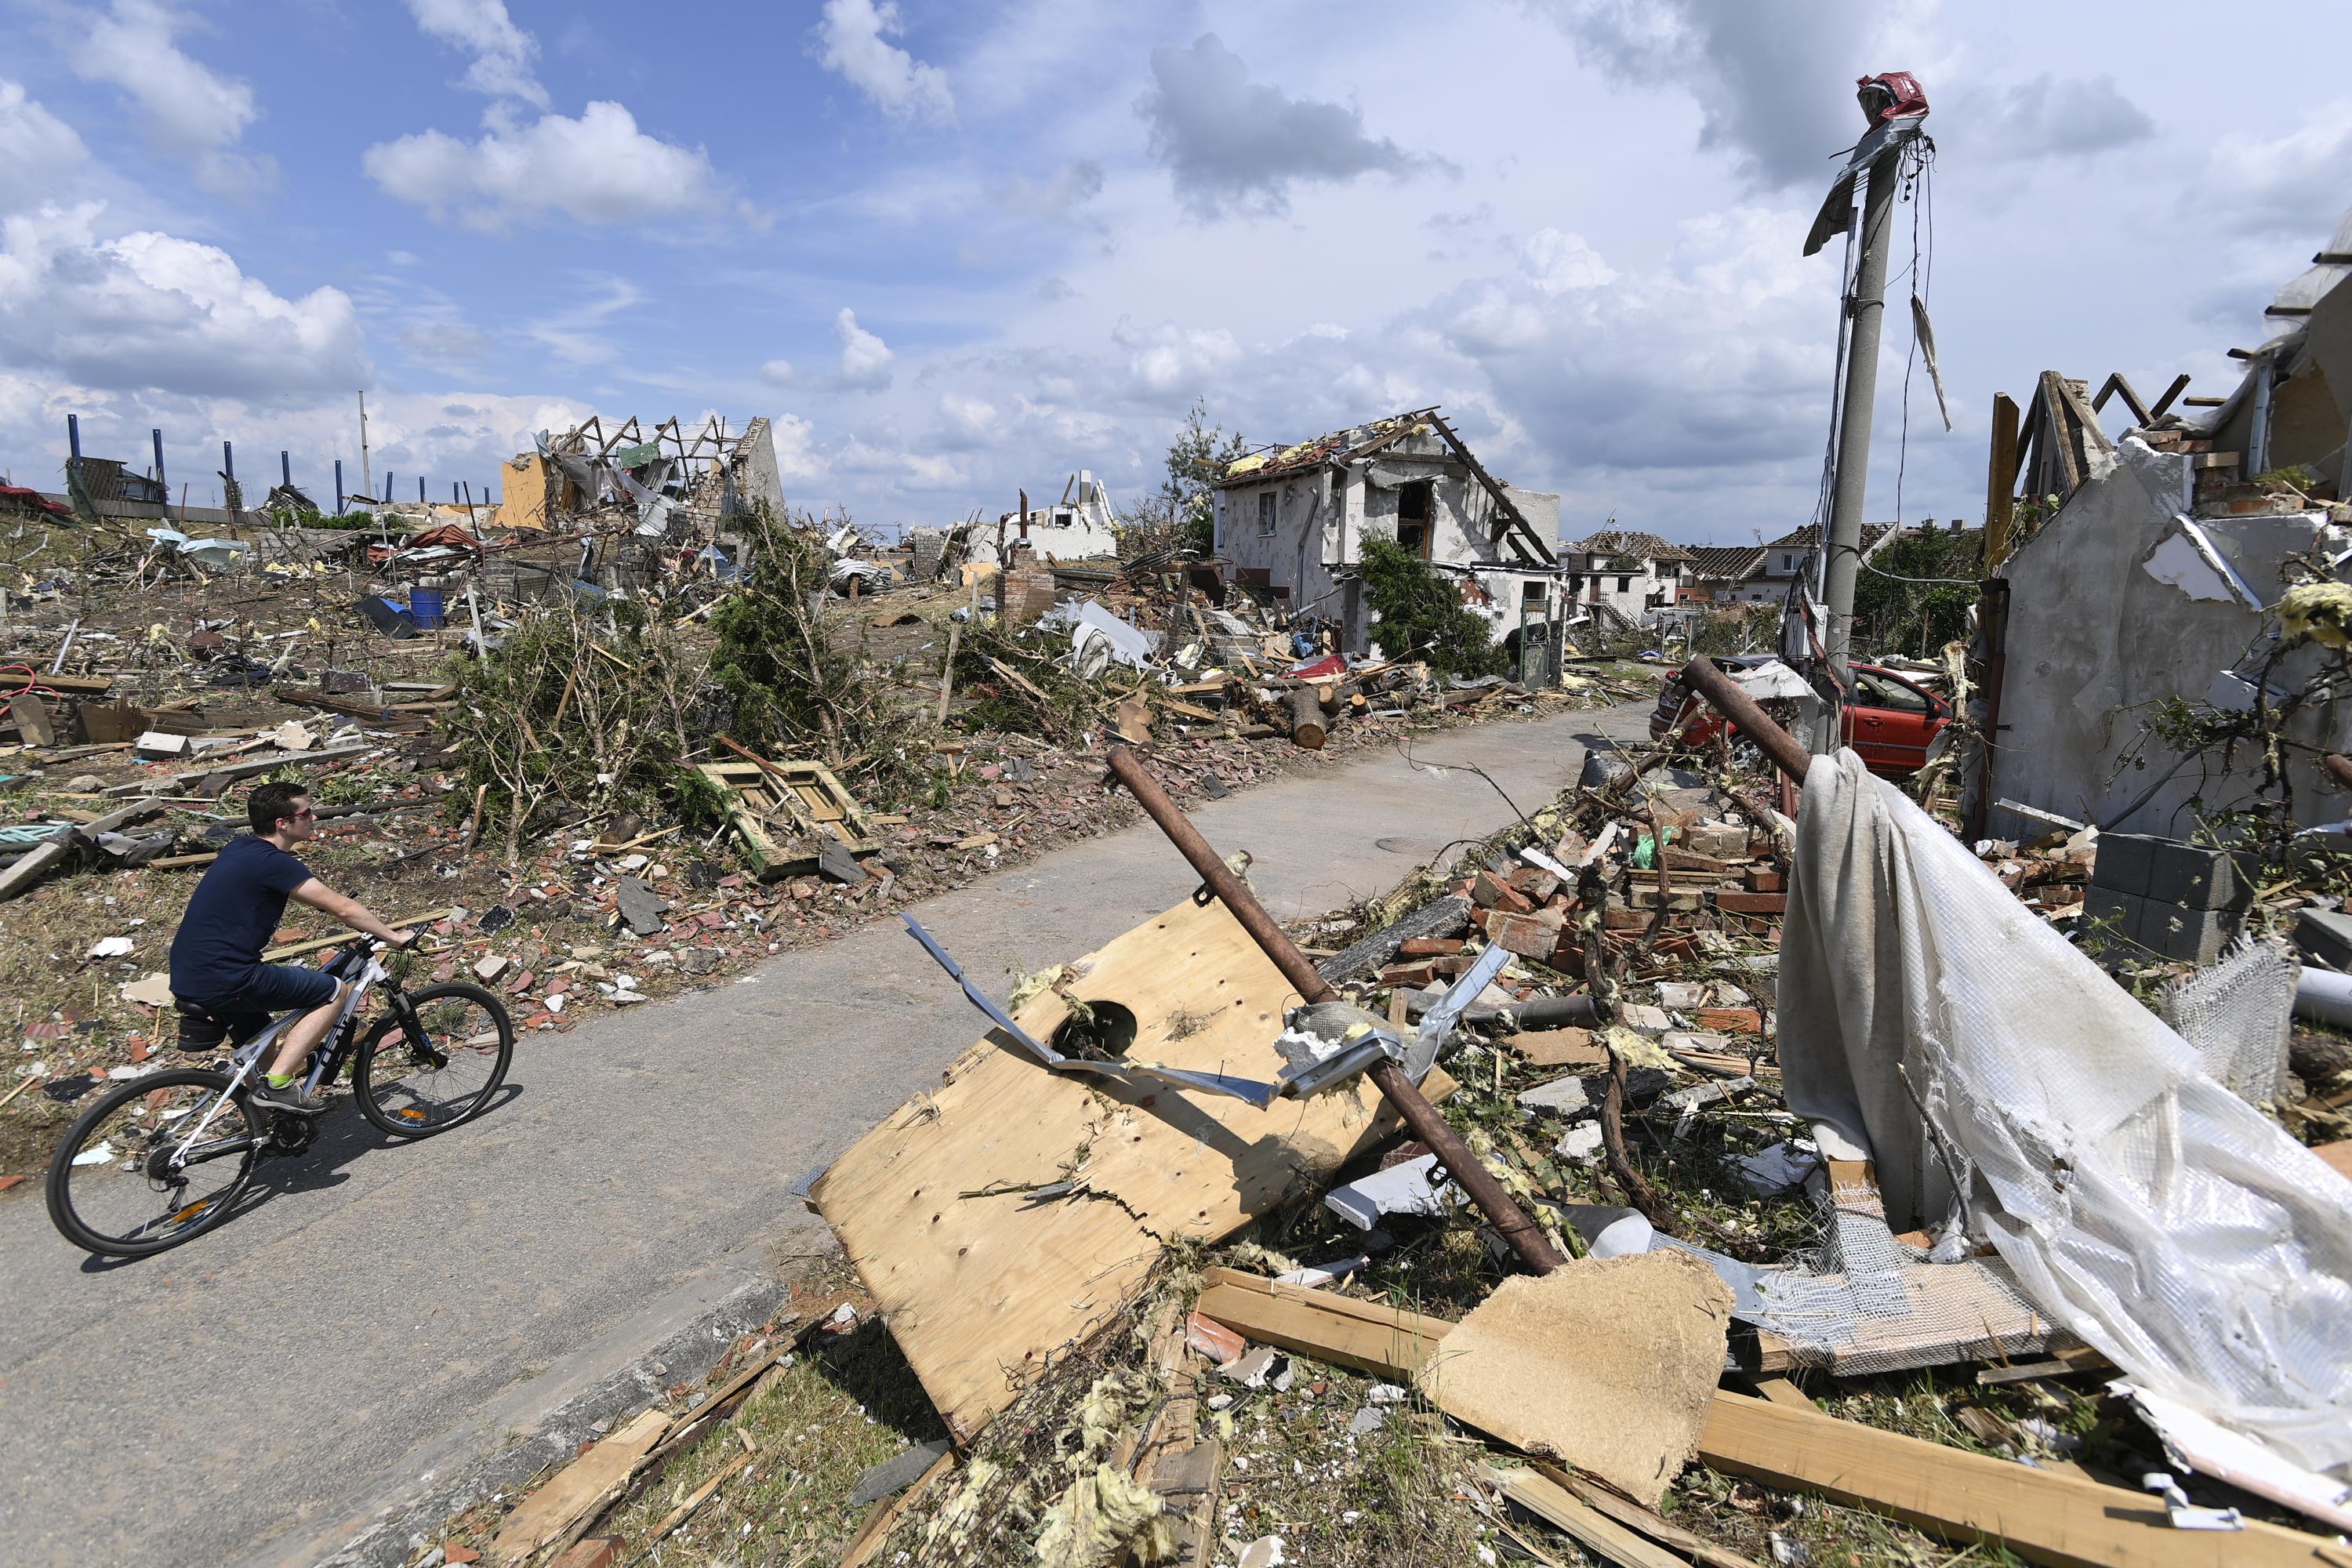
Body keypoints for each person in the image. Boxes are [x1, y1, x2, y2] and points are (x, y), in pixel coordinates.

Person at [168, 779, 419, 1115]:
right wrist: (394, 936)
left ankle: (264, 1117)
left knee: (261, 1034)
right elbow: (342, 908)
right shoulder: (274, 863)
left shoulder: (240, 848)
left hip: (189, 973)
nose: (314, 817)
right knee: (334, 992)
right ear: (282, 823)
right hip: (228, 976)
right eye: (307, 812)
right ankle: (278, 1086)